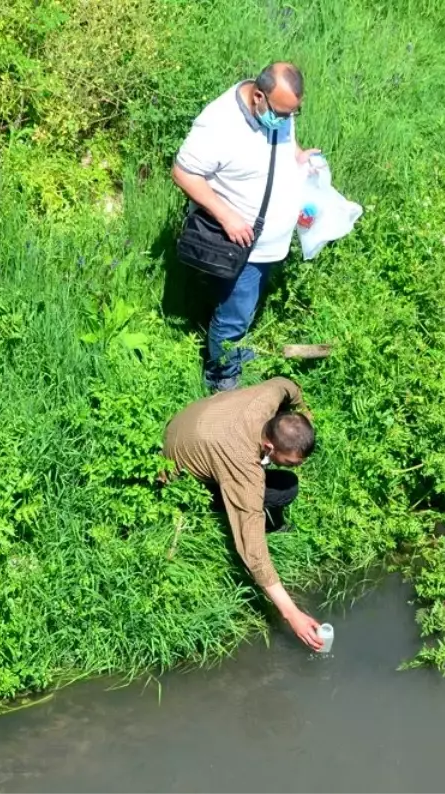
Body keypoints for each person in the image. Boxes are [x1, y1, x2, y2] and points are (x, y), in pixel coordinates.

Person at [172, 62, 321, 392]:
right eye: (281, 114)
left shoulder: (278, 110)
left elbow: (281, 140)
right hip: (242, 244)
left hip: (270, 244)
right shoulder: (219, 124)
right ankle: (222, 377)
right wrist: (227, 216)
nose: (285, 121)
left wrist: (298, 156)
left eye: (292, 114)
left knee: (241, 303)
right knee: (234, 315)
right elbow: (183, 173)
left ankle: (229, 349)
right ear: (258, 96)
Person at [162, 377, 324, 650]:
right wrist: (292, 613)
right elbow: (252, 549)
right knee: (286, 489)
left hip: (186, 424)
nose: (296, 467)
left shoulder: (268, 398)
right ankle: (224, 508)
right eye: (291, 462)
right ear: (270, 447)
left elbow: (288, 385)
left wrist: (304, 411)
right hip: (178, 473)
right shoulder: (242, 466)